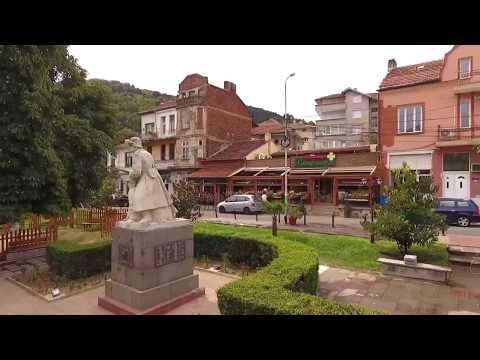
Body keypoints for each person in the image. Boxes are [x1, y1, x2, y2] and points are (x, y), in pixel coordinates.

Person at [121, 137, 176, 225]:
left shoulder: (137, 154)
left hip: (146, 177)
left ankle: (147, 217)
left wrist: (131, 174)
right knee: (151, 198)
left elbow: (137, 172)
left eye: (130, 145)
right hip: (155, 177)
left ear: (134, 146)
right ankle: (139, 216)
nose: (129, 148)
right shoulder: (147, 153)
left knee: (139, 196)